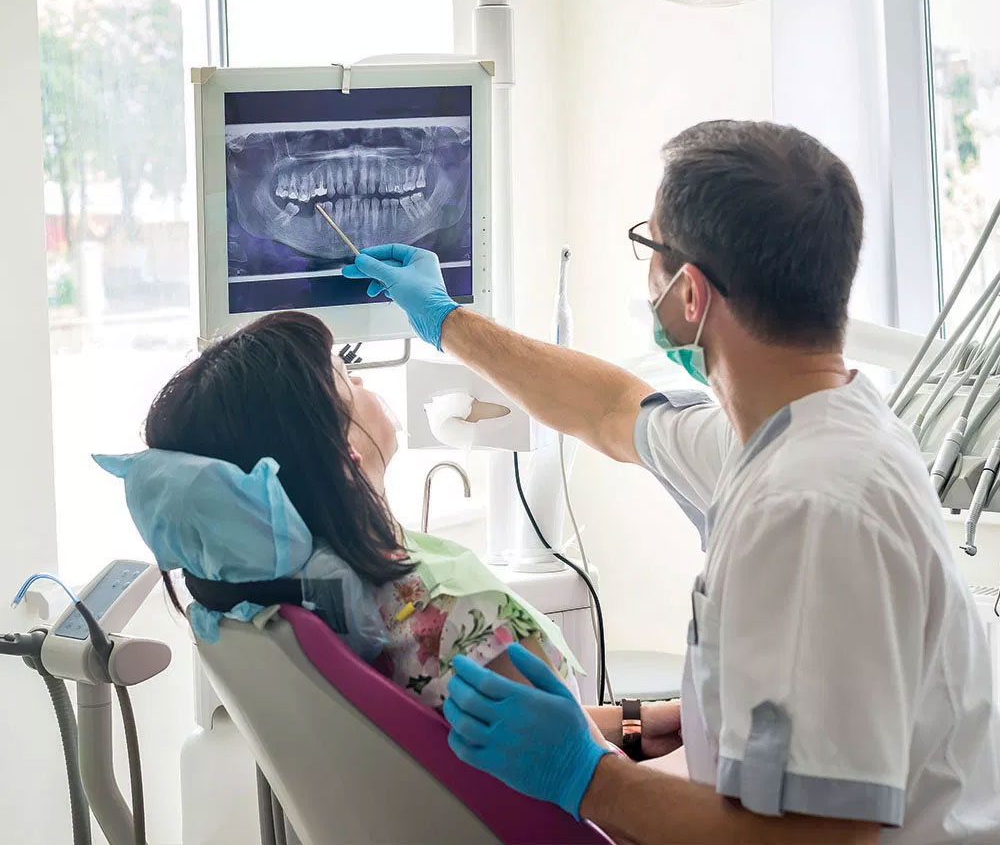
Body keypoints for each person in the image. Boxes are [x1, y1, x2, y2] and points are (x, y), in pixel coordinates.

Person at [342, 120, 1000, 844]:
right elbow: (609, 409)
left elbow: (822, 839)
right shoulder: (800, 428)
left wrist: (589, 776)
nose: (644, 271)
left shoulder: (810, 507)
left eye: (649, 248)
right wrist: (446, 322)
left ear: (690, 295)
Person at [108, 310, 684, 764]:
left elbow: (499, 730)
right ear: (345, 455)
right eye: (343, 379)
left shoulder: (301, 609)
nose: (360, 379)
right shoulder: (459, 618)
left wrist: (637, 722)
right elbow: (593, 790)